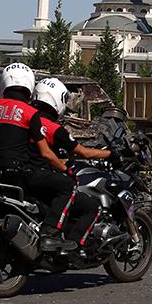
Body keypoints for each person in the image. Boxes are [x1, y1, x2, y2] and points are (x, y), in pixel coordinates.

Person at [0, 63, 73, 251]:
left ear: (3, 84)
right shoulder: (31, 113)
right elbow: (45, 152)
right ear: (30, 87)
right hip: (19, 173)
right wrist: (67, 170)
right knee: (67, 187)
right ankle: (50, 233)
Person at [30, 78, 120, 243]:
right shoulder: (54, 129)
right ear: (57, 99)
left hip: (23, 175)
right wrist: (110, 154)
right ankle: (72, 244)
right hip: (43, 176)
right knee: (91, 206)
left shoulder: (26, 119)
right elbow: (83, 152)